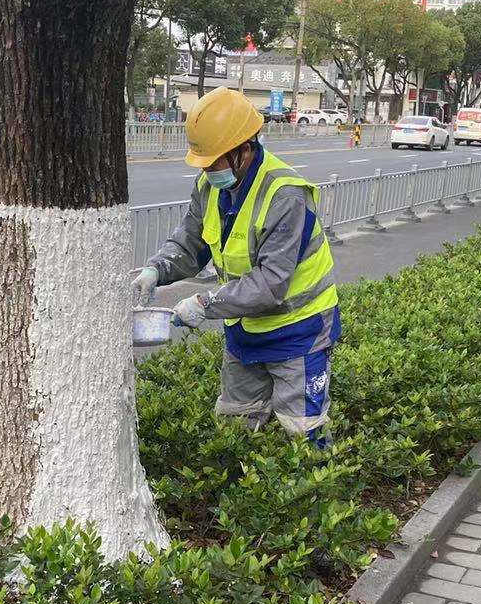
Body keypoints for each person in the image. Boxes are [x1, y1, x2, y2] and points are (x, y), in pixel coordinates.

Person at [134, 87, 340, 445]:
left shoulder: (286, 194)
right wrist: (156, 269)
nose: (207, 169)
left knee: (302, 431)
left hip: (299, 329)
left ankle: (312, 495)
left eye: (213, 161)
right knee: (234, 426)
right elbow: (192, 243)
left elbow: (271, 283)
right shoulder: (210, 185)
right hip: (245, 328)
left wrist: (204, 304)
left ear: (244, 149)